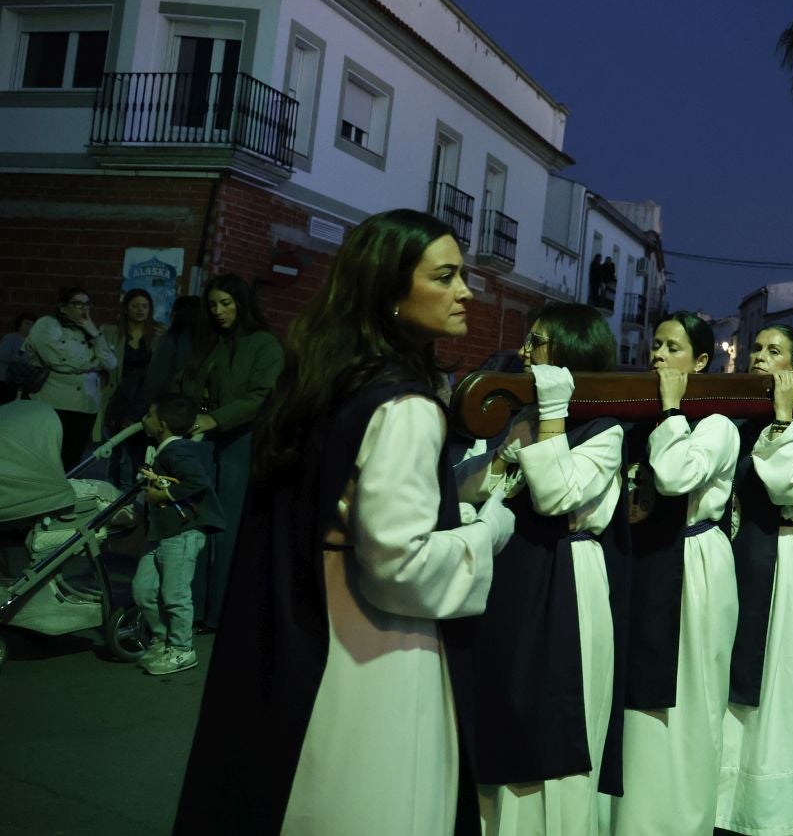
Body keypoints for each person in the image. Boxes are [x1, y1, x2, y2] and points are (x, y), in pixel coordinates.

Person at [174, 207, 516, 833]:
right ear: (389, 289)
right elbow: (401, 564)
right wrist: (487, 530)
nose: (465, 292)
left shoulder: (318, 379)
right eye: (444, 277)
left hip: (302, 626)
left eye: (462, 275)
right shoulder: (405, 405)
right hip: (376, 648)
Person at [445, 303, 625, 833]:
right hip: (511, 580)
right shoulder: (520, 413)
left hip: (566, 582)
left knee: (551, 724)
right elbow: (461, 486)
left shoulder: (605, 431)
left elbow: (555, 496)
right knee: (502, 714)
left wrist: (551, 418)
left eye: (538, 342)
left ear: (570, 350)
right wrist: (504, 455)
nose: (524, 352)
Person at [610, 311, 739, 836]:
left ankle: (680, 822)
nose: (658, 356)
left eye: (673, 348)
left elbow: (673, 474)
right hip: (645, 561)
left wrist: (670, 411)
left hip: (694, 566)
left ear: (702, 361)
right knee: (637, 707)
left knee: (688, 702)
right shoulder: (643, 414)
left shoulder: (717, 424)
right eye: (656, 345)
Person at [716, 324, 793, 836]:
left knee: (788, 685)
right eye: (756, 349)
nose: (760, 358)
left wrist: (784, 418)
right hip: (752, 558)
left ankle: (784, 811)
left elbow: (789, 484)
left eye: (774, 351)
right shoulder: (745, 423)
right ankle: (734, 807)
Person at [179, 273, 285, 631]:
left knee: (226, 532)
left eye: (226, 303)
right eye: (212, 305)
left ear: (241, 303)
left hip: (242, 442)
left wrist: (216, 419)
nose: (219, 311)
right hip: (204, 443)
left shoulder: (263, 343)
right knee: (197, 526)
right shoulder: (210, 342)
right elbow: (187, 385)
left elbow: (262, 395)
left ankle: (220, 612)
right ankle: (192, 608)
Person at [131, 392, 224, 677]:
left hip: (182, 534)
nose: (144, 419)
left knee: (175, 594)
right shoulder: (164, 451)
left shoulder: (177, 452)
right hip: (162, 532)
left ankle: (183, 649)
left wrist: (163, 494)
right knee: (143, 589)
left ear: (162, 425)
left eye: (149, 415)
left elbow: (197, 481)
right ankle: (163, 638)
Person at [26, 288, 117, 470]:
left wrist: (95, 334)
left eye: (87, 304)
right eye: (77, 304)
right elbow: (58, 361)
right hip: (54, 402)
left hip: (85, 405)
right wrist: (93, 364)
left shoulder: (90, 330)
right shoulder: (48, 325)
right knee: (47, 457)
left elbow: (111, 362)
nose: (84, 309)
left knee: (72, 458)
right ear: (63, 307)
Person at [101, 288, 166, 488]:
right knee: (113, 450)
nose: (140, 310)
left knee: (139, 453)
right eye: (135, 305)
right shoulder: (112, 332)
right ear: (126, 308)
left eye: (145, 306)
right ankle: (110, 491)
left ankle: (134, 493)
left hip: (144, 400)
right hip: (117, 398)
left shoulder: (159, 334)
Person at [2, 311, 38, 404]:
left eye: (32, 324)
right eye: (26, 323)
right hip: (7, 379)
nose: (29, 326)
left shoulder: (35, 342)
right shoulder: (9, 338)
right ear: (20, 323)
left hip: (27, 381)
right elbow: (3, 355)